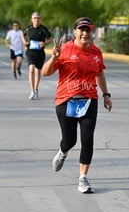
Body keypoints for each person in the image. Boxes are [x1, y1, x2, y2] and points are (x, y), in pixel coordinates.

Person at [42, 17, 112, 194]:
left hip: (89, 99)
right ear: (75, 32)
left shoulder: (96, 52)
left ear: (91, 33)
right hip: (66, 100)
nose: (84, 33)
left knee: (87, 139)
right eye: (81, 30)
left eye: (88, 30)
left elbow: (100, 74)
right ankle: (63, 152)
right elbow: (46, 72)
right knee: (70, 139)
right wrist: (53, 58)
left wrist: (105, 95)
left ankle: (83, 178)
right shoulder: (64, 50)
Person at [22, 12, 52, 99]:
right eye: (35, 18)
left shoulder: (43, 29)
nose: (36, 19)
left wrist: (45, 43)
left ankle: (36, 89)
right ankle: (32, 90)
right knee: (31, 69)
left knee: (37, 72)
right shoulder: (29, 28)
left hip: (40, 52)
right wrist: (24, 42)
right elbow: (22, 35)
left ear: (40, 19)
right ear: (32, 19)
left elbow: (50, 38)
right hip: (30, 51)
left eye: (38, 18)